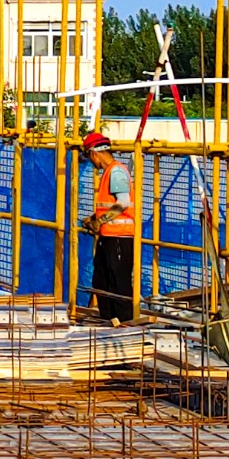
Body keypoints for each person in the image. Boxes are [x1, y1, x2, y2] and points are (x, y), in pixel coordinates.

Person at [81, 130, 137, 323]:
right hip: (108, 237)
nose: (91, 162)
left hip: (120, 237)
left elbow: (123, 203)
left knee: (118, 282)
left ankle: (124, 322)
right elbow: (110, 205)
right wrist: (93, 218)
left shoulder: (116, 171)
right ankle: (108, 319)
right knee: (102, 280)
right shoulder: (109, 173)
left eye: (88, 156)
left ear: (93, 153)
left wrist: (99, 221)